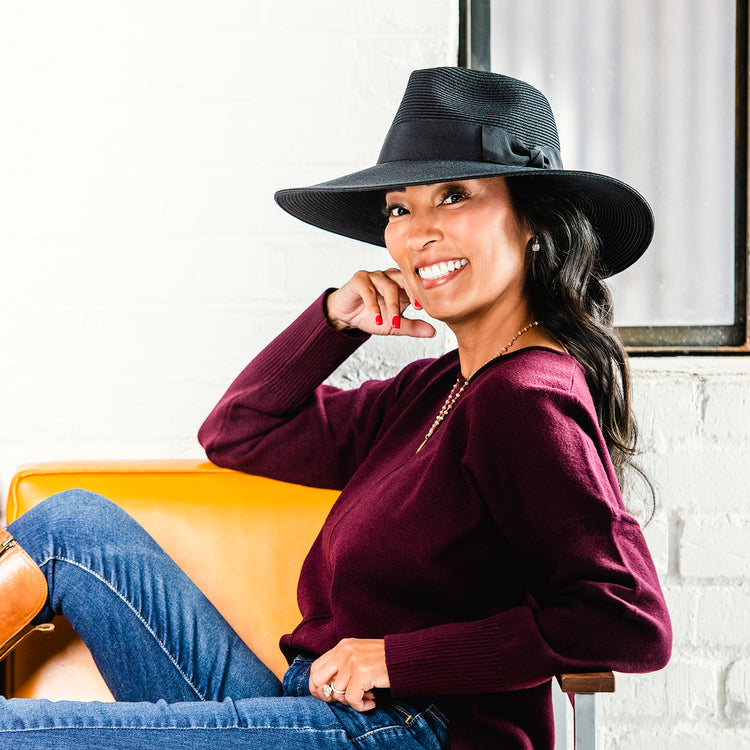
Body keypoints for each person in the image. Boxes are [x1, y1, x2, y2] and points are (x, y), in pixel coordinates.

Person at [0, 67, 671, 749]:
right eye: (399, 208)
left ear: (534, 221)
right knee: (74, 527)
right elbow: (239, 432)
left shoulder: (526, 397)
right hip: (313, 712)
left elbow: (626, 618)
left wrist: (392, 659)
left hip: (408, 730)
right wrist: (335, 321)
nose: (418, 233)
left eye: (454, 196)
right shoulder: (441, 386)